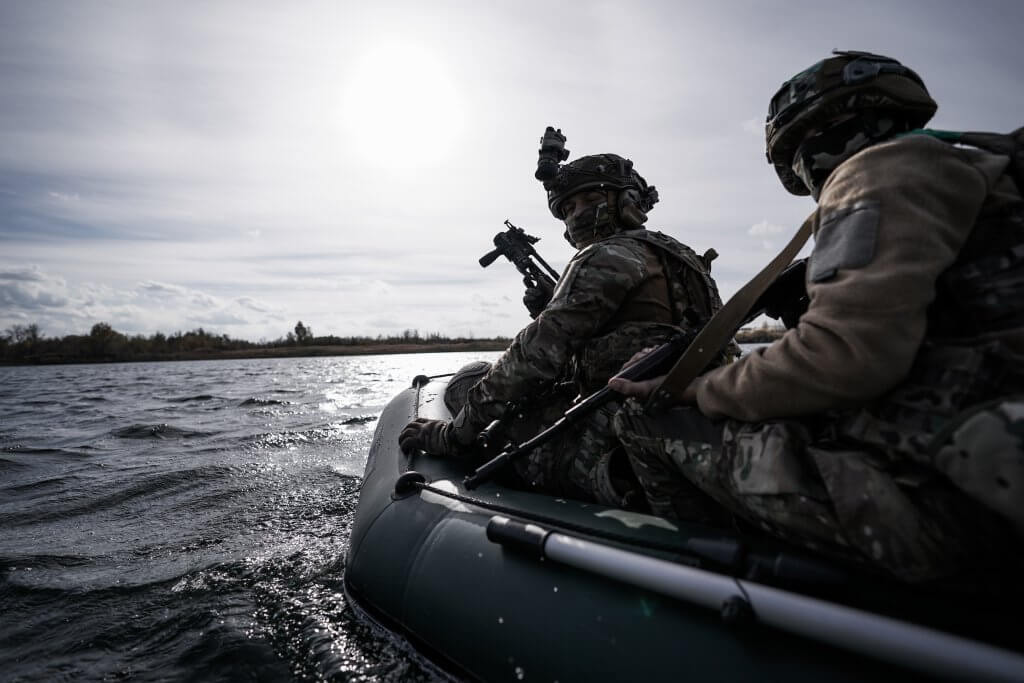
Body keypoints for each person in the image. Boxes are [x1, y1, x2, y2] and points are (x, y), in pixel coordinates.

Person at [610, 50, 1024, 583]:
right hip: (988, 462)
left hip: (954, 508)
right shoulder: (984, 168)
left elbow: (841, 357)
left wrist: (691, 387)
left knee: (644, 420)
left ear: (810, 141)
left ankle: (701, 588)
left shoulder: (882, 168)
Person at [399, 151, 733, 507]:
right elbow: (641, 334)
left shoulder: (605, 256)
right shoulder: (686, 259)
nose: (577, 215)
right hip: (683, 417)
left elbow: (531, 357)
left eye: (590, 200)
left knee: (468, 383)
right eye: (568, 208)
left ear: (627, 202)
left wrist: (453, 436)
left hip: (617, 436)